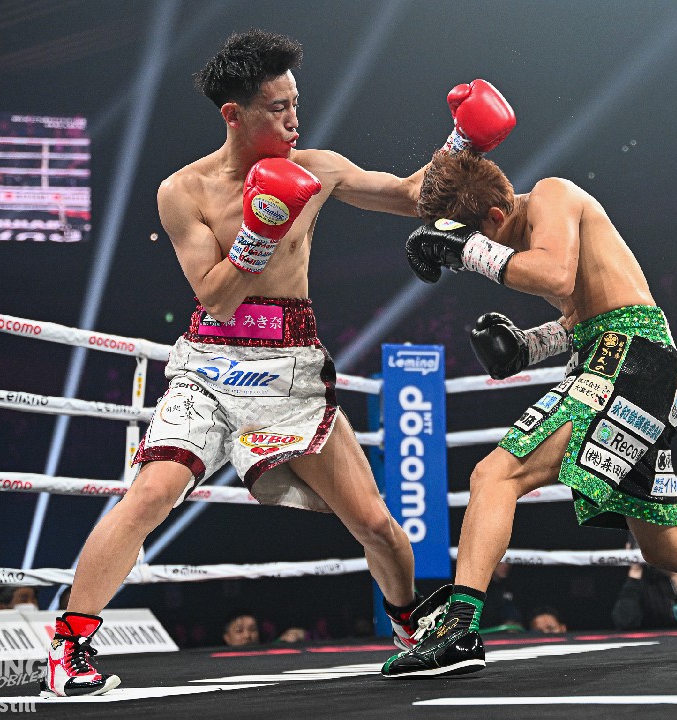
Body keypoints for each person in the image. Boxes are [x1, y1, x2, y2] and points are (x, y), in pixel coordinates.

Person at [41, 29, 515, 698]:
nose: (295, 120)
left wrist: (462, 141)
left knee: (375, 524)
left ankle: (409, 623)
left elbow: (413, 195)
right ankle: (69, 647)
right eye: (278, 107)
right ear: (233, 114)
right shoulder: (183, 191)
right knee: (148, 494)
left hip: (292, 371)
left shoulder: (317, 169)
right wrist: (260, 231)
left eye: (296, 102)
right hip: (210, 368)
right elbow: (215, 296)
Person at [381, 150, 677, 678]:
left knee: (495, 474)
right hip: (637, 363)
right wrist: (527, 348)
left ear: (494, 216)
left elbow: (556, 278)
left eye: (482, 240)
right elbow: (581, 311)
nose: (485, 257)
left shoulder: (552, 193)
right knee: (666, 546)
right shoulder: (551, 230)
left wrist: (466, 249)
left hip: (624, 356)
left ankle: (458, 631)